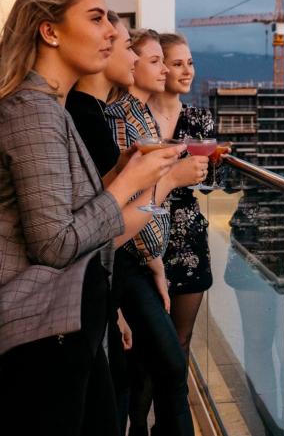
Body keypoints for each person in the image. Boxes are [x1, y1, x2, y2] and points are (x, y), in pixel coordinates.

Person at [0, 0, 187, 436]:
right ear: (50, 31)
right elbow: (56, 244)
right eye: (97, 18)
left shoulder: (47, 107)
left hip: (60, 329)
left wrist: (121, 171)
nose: (114, 33)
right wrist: (134, 184)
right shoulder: (33, 112)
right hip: (37, 339)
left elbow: (74, 216)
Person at [105, 29, 200, 436]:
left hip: (141, 260)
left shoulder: (137, 115)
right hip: (125, 260)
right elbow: (131, 203)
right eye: (155, 59)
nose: (165, 70)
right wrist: (172, 181)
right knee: (165, 364)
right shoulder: (120, 119)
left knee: (156, 366)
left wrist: (155, 262)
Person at [147, 33, 215, 354]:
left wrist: (215, 164)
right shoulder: (137, 118)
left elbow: (209, 181)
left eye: (190, 63)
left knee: (181, 342)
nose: (187, 71)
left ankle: (175, 405)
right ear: (160, 67)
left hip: (189, 239)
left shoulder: (200, 119)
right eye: (178, 63)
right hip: (143, 236)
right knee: (148, 350)